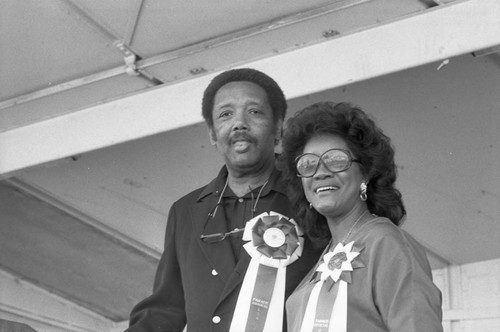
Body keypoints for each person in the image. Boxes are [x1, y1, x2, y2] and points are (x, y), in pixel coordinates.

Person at [126, 68, 325, 331]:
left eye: (254, 112)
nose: (239, 123)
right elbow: (165, 308)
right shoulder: (185, 211)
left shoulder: (309, 194)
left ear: (278, 128)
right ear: (212, 133)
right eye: (225, 114)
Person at [278, 101, 443, 331]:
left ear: (365, 172)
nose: (321, 172)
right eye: (308, 164)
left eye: (336, 160)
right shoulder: (324, 259)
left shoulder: (386, 243)